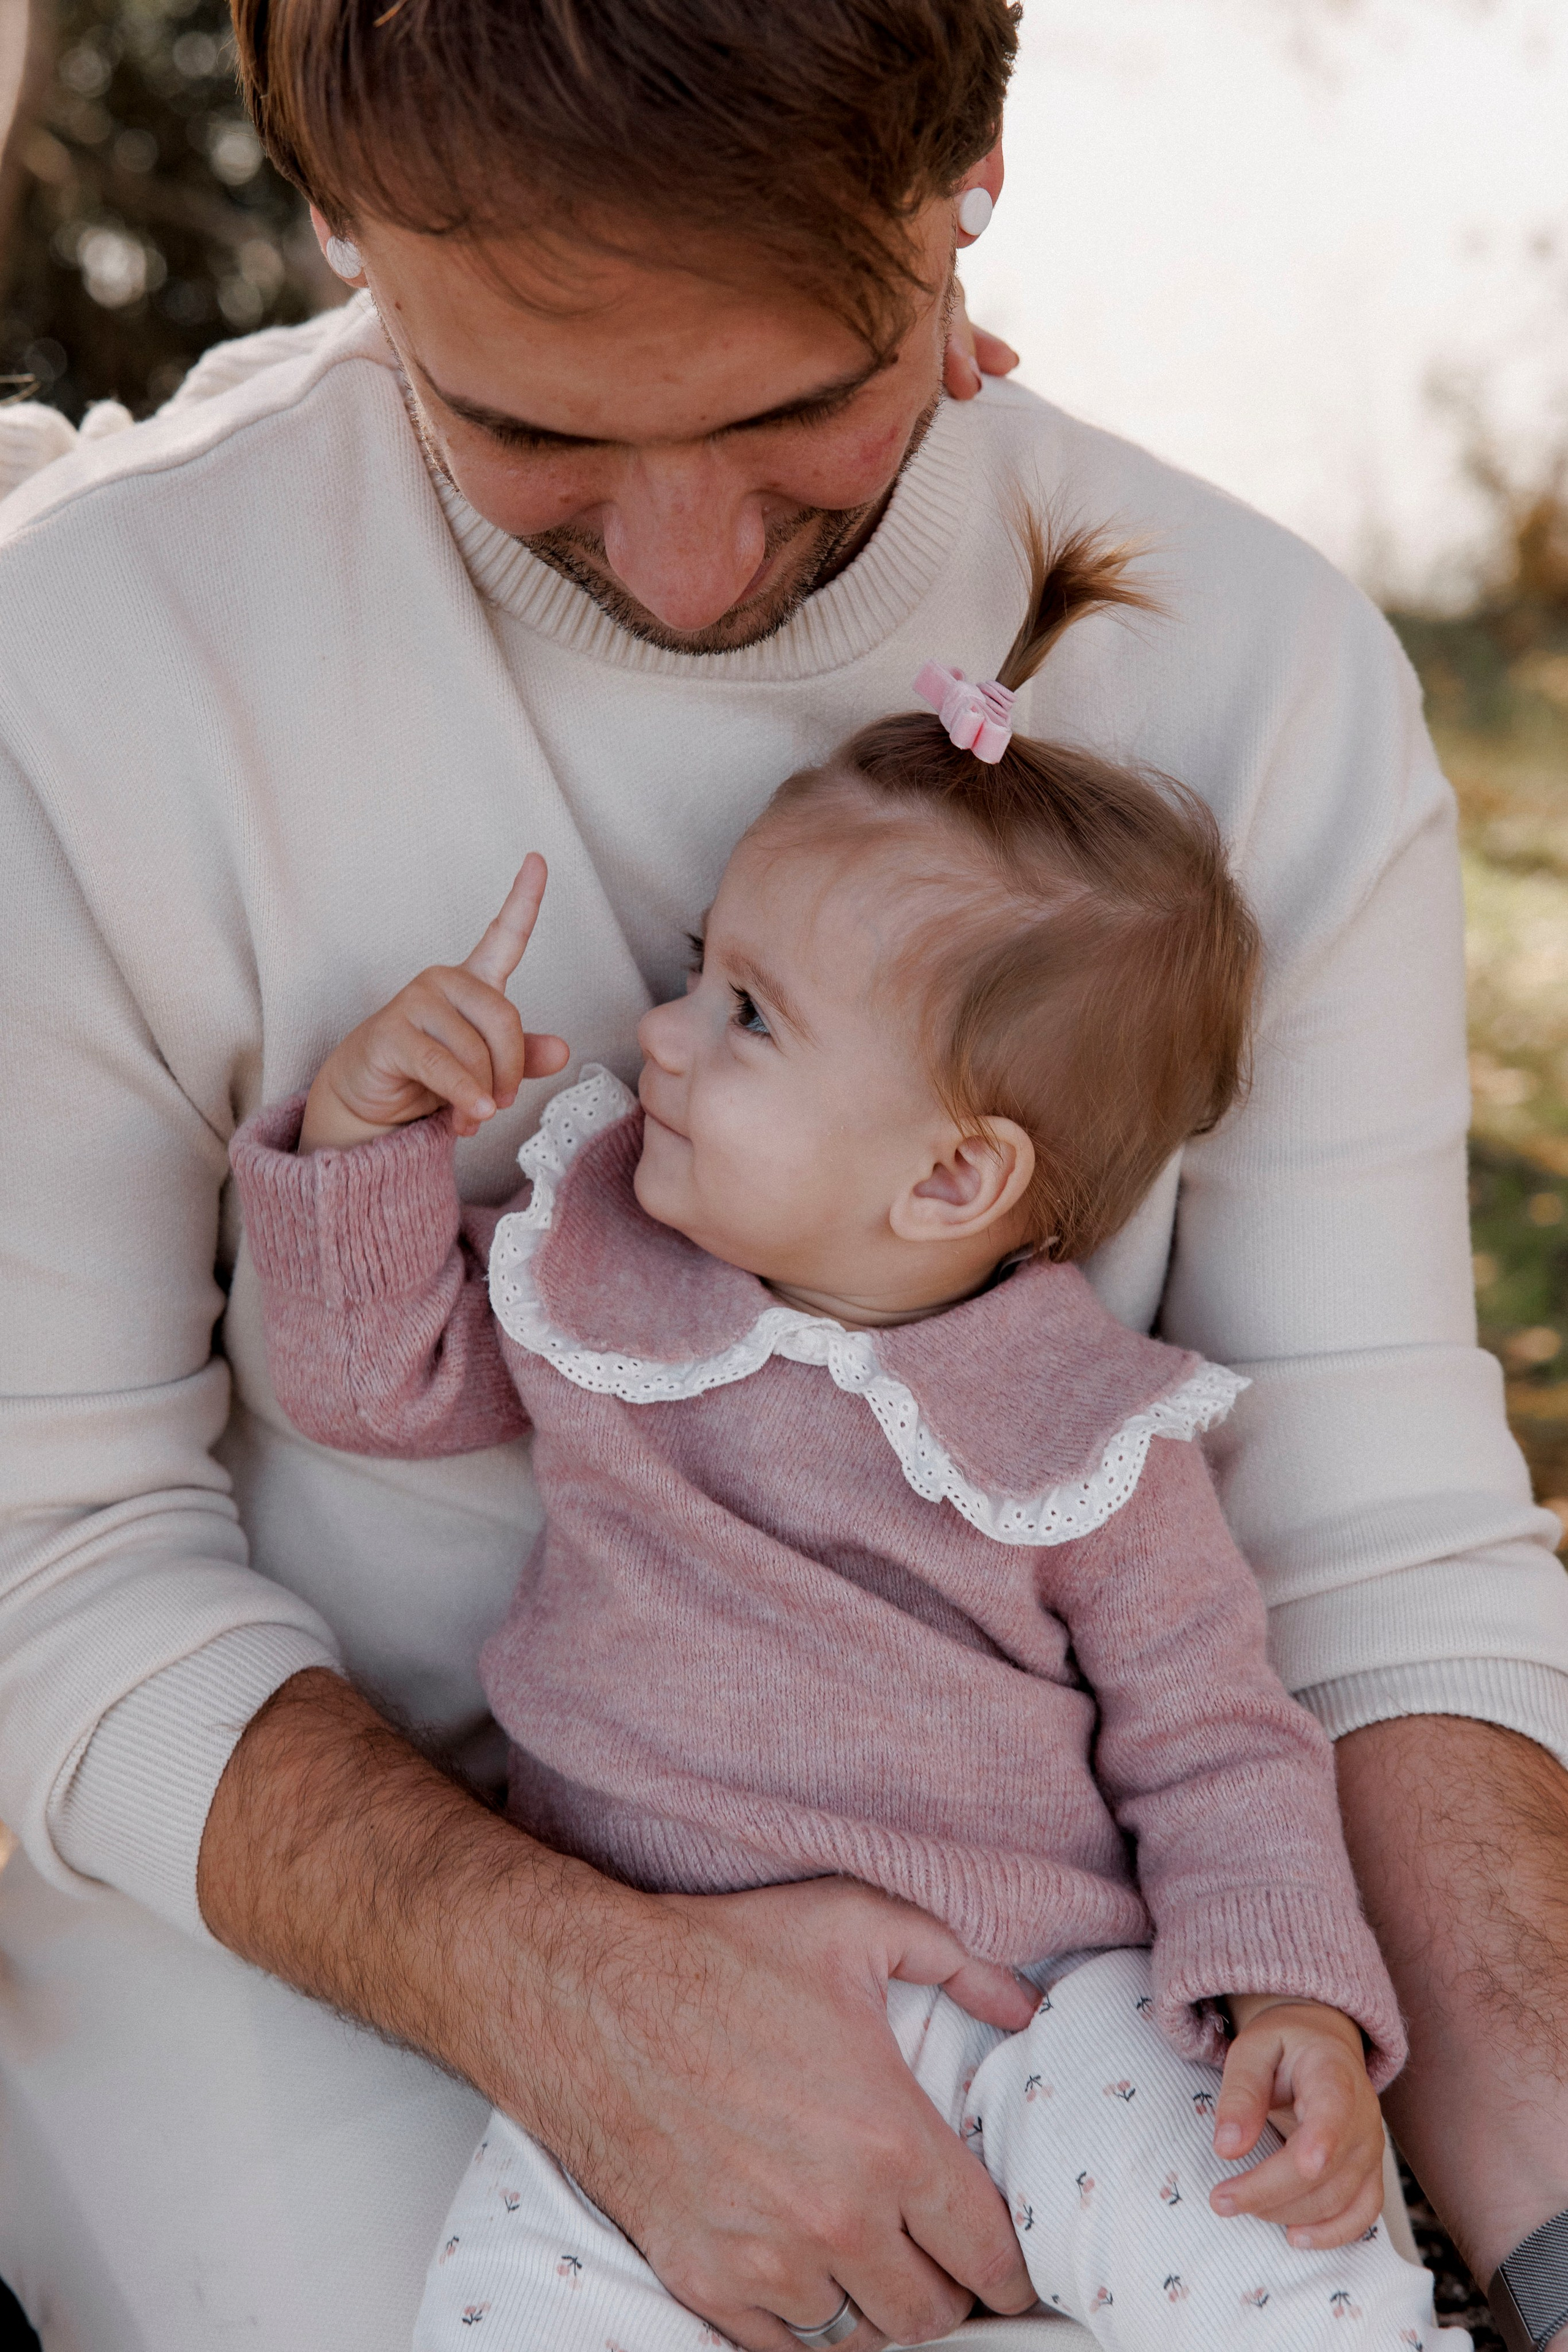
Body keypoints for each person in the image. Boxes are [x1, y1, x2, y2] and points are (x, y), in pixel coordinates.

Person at [0, 4, 1566, 2348]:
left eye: (796, 406)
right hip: (309, 1926)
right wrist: (567, 1988)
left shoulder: (1263, 677)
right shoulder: (81, 665)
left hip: (1067, 1960)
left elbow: (1368, 1564)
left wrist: (1543, 2230)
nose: (688, 563)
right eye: (529, 426)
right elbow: (44, 1552)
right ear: (336, 217)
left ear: (970, 178)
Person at [226, 529, 1463, 2352]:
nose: (658, 1033)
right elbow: (375, 1384)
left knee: (1271, 2265)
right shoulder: (601, 1269)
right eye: (698, 971)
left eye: (747, 1015)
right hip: (653, 2023)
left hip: (1044, 2009)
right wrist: (364, 1137)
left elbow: (1217, 1739)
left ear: (955, 1174)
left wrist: (1289, 1998)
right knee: (509, 2310)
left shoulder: (1084, 1429)